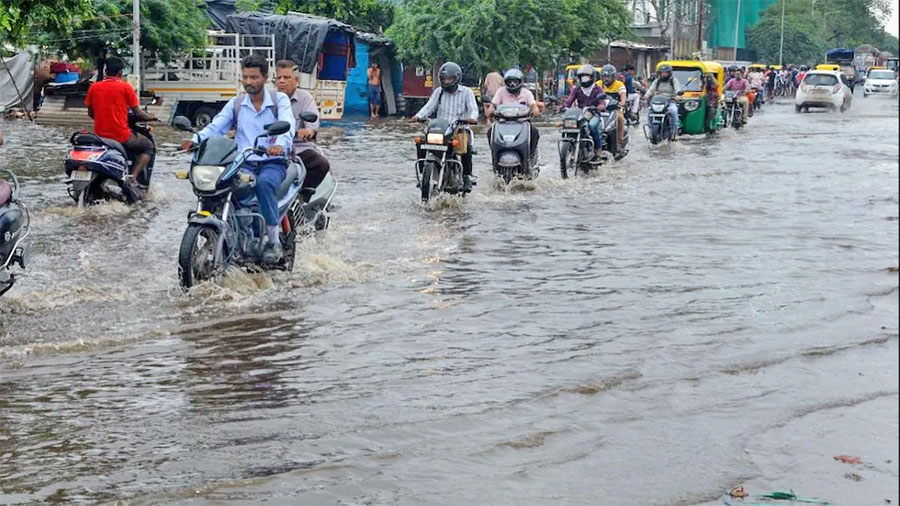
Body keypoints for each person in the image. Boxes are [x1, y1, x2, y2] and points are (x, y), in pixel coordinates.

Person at [180, 54, 296, 264]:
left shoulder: (280, 100)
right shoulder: (237, 103)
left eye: (254, 77)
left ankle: (272, 241)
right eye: (246, 77)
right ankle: (231, 232)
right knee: (221, 186)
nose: (249, 82)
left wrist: (279, 145)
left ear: (265, 78)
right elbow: (217, 127)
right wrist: (195, 139)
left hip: (272, 162)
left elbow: (287, 125)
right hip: (244, 162)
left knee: (264, 184)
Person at [84, 56, 157, 192]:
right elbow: (139, 114)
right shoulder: (125, 87)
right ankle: (133, 177)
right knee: (148, 146)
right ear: (120, 73)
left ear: (106, 71)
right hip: (120, 136)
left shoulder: (94, 87)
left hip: (100, 136)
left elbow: (90, 113)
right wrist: (152, 117)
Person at [411, 62, 479, 192]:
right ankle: (423, 173)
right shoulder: (439, 92)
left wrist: (472, 118)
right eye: (444, 79)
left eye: (450, 79)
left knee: (466, 145)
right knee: (421, 141)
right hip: (440, 128)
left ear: (457, 78)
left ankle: (466, 177)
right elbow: (429, 107)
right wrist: (418, 116)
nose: (447, 82)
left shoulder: (466, 92)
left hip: (460, 128)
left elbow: (473, 109)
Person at [274, 60, 330, 192]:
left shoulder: (305, 98)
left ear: (296, 80)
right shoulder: (268, 97)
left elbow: (313, 124)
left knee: (321, 164)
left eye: (287, 78)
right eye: (279, 78)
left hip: (298, 148)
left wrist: (308, 131)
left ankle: (303, 194)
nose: (282, 81)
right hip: (272, 148)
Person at [485, 68, 541, 158]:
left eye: (515, 82)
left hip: (522, 122)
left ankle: (531, 154)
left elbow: (534, 106)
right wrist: (490, 112)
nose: (512, 84)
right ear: (505, 82)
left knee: (534, 132)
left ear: (520, 82)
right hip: (503, 123)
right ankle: (495, 154)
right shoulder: (501, 91)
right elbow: (493, 105)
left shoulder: (527, 93)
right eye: (509, 82)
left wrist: (534, 111)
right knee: (490, 132)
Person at [563, 64, 608, 157]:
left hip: (594, 113)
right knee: (568, 126)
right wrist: (564, 107)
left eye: (587, 76)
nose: (584, 78)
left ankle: (597, 149)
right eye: (582, 76)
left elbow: (602, 100)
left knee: (592, 126)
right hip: (580, 114)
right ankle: (571, 148)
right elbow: (569, 100)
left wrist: (601, 105)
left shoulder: (597, 89)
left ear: (592, 77)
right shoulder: (577, 89)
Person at [599, 64, 626, 158]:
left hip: (615, 110)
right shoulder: (598, 84)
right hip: (600, 110)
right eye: (604, 76)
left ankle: (618, 143)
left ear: (613, 76)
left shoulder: (619, 84)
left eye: (608, 76)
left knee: (620, 119)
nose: (606, 79)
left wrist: (622, 102)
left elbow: (623, 96)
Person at [646, 63, 682, 132]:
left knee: (674, 111)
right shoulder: (657, 81)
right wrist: (646, 95)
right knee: (650, 112)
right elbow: (651, 89)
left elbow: (678, 89)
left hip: (670, 101)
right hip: (658, 102)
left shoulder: (673, 80)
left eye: (666, 72)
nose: (664, 74)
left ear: (669, 73)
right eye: (662, 72)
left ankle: (673, 130)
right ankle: (650, 130)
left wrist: (678, 96)